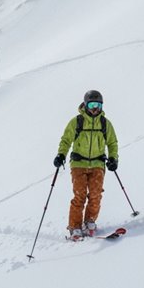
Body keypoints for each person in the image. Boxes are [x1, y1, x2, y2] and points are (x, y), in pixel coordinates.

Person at [53, 90, 120, 240]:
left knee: (96, 195)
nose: (95, 108)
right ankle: (75, 226)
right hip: (79, 163)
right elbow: (66, 140)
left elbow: (112, 143)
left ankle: (90, 220)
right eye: (92, 104)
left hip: (97, 163)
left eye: (98, 105)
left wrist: (113, 159)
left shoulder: (105, 123)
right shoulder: (77, 122)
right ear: (85, 104)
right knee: (80, 195)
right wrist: (61, 155)